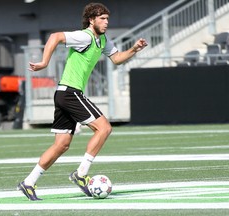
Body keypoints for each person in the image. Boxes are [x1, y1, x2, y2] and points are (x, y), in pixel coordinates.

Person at [17, 2, 147, 201]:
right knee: (104, 128)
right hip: (70, 93)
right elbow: (55, 36)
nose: (106, 23)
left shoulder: (102, 40)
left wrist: (134, 49)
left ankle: (28, 182)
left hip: (64, 94)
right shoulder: (84, 36)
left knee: (61, 145)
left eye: (107, 19)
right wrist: (44, 62)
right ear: (91, 19)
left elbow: (117, 58)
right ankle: (81, 174)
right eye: (102, 19)